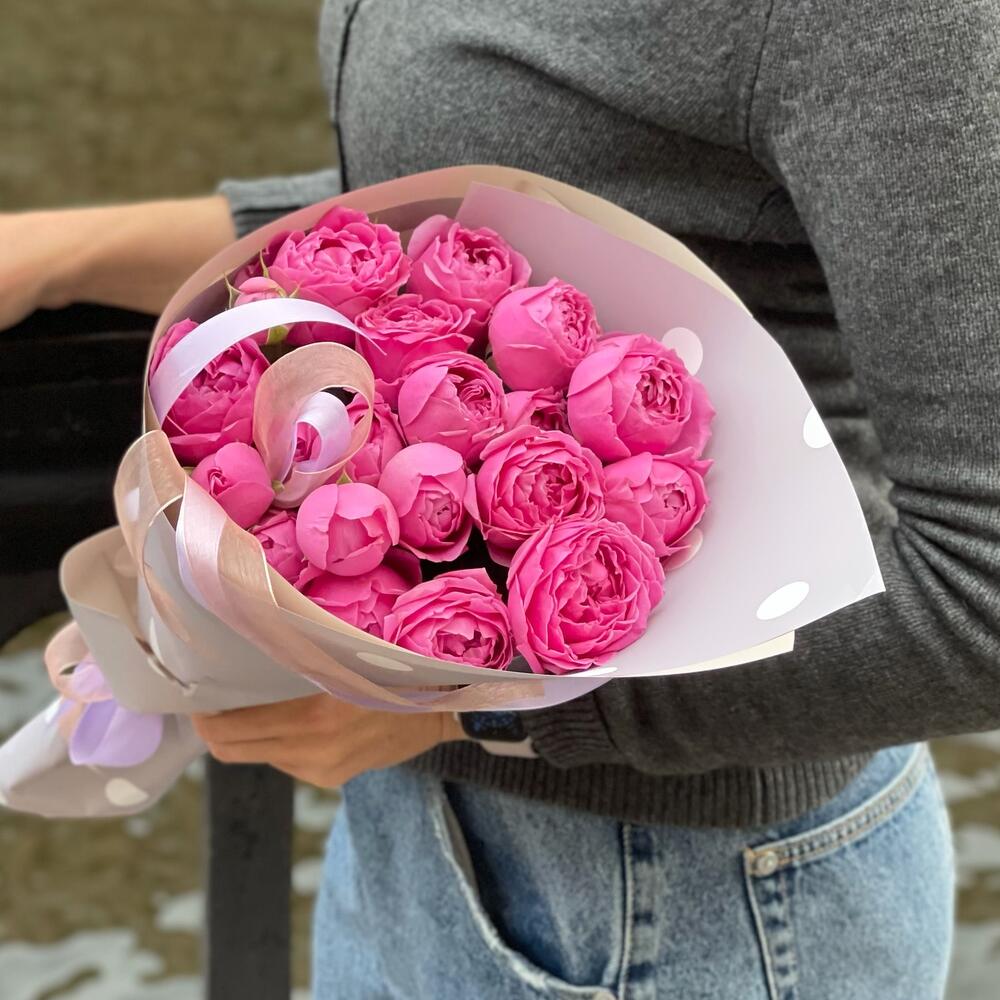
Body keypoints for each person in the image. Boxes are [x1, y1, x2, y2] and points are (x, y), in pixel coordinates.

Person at [5, 1, 999, 995]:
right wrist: (66, 256)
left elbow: (984, 593)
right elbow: (573, 159)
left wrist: (469, 717)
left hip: (677, 903)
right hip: (413, 840)